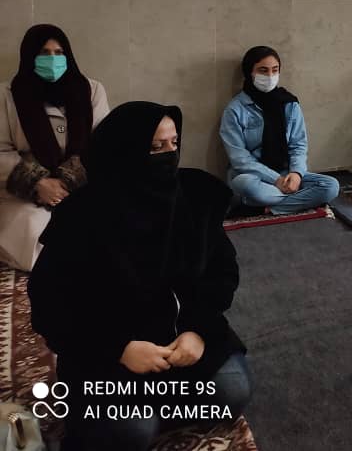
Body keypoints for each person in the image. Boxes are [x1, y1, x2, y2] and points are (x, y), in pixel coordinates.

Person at [28, 102, 252, 451]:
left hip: (179, 343)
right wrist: (118, 349)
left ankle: (151, 406)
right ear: (124, 151)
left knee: (234, 391)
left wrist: (198, 331)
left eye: (173, 144)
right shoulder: (81, 217)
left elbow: (222, 272)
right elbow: (50, 306)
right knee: (131, 432)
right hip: (107, 351)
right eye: (155, 147)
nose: (168, 155)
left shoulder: (193, 197)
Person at [0, 24, 109, 271]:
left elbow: (101, 143)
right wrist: (38, 182)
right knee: (35, 234)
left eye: (58, 53)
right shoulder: (7, 95)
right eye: (44, 53)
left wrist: (67, 181)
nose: (52, 59)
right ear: (30, 56)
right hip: (25, 196)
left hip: (81, 188)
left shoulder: (91, 90)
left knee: (104, 229)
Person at [220, 46, 339, 214]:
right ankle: (297, 200)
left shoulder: (289, 103)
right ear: (249, 72)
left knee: (330, 186)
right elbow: (239, 159)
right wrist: (276, 179)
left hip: (286, 172)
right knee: (244, 184)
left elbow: (298, 144)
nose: (270, 76)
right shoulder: (235, 109)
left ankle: (265, 208)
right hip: (254, 176)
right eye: (263, 70)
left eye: (275, 70)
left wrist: (296, 174)